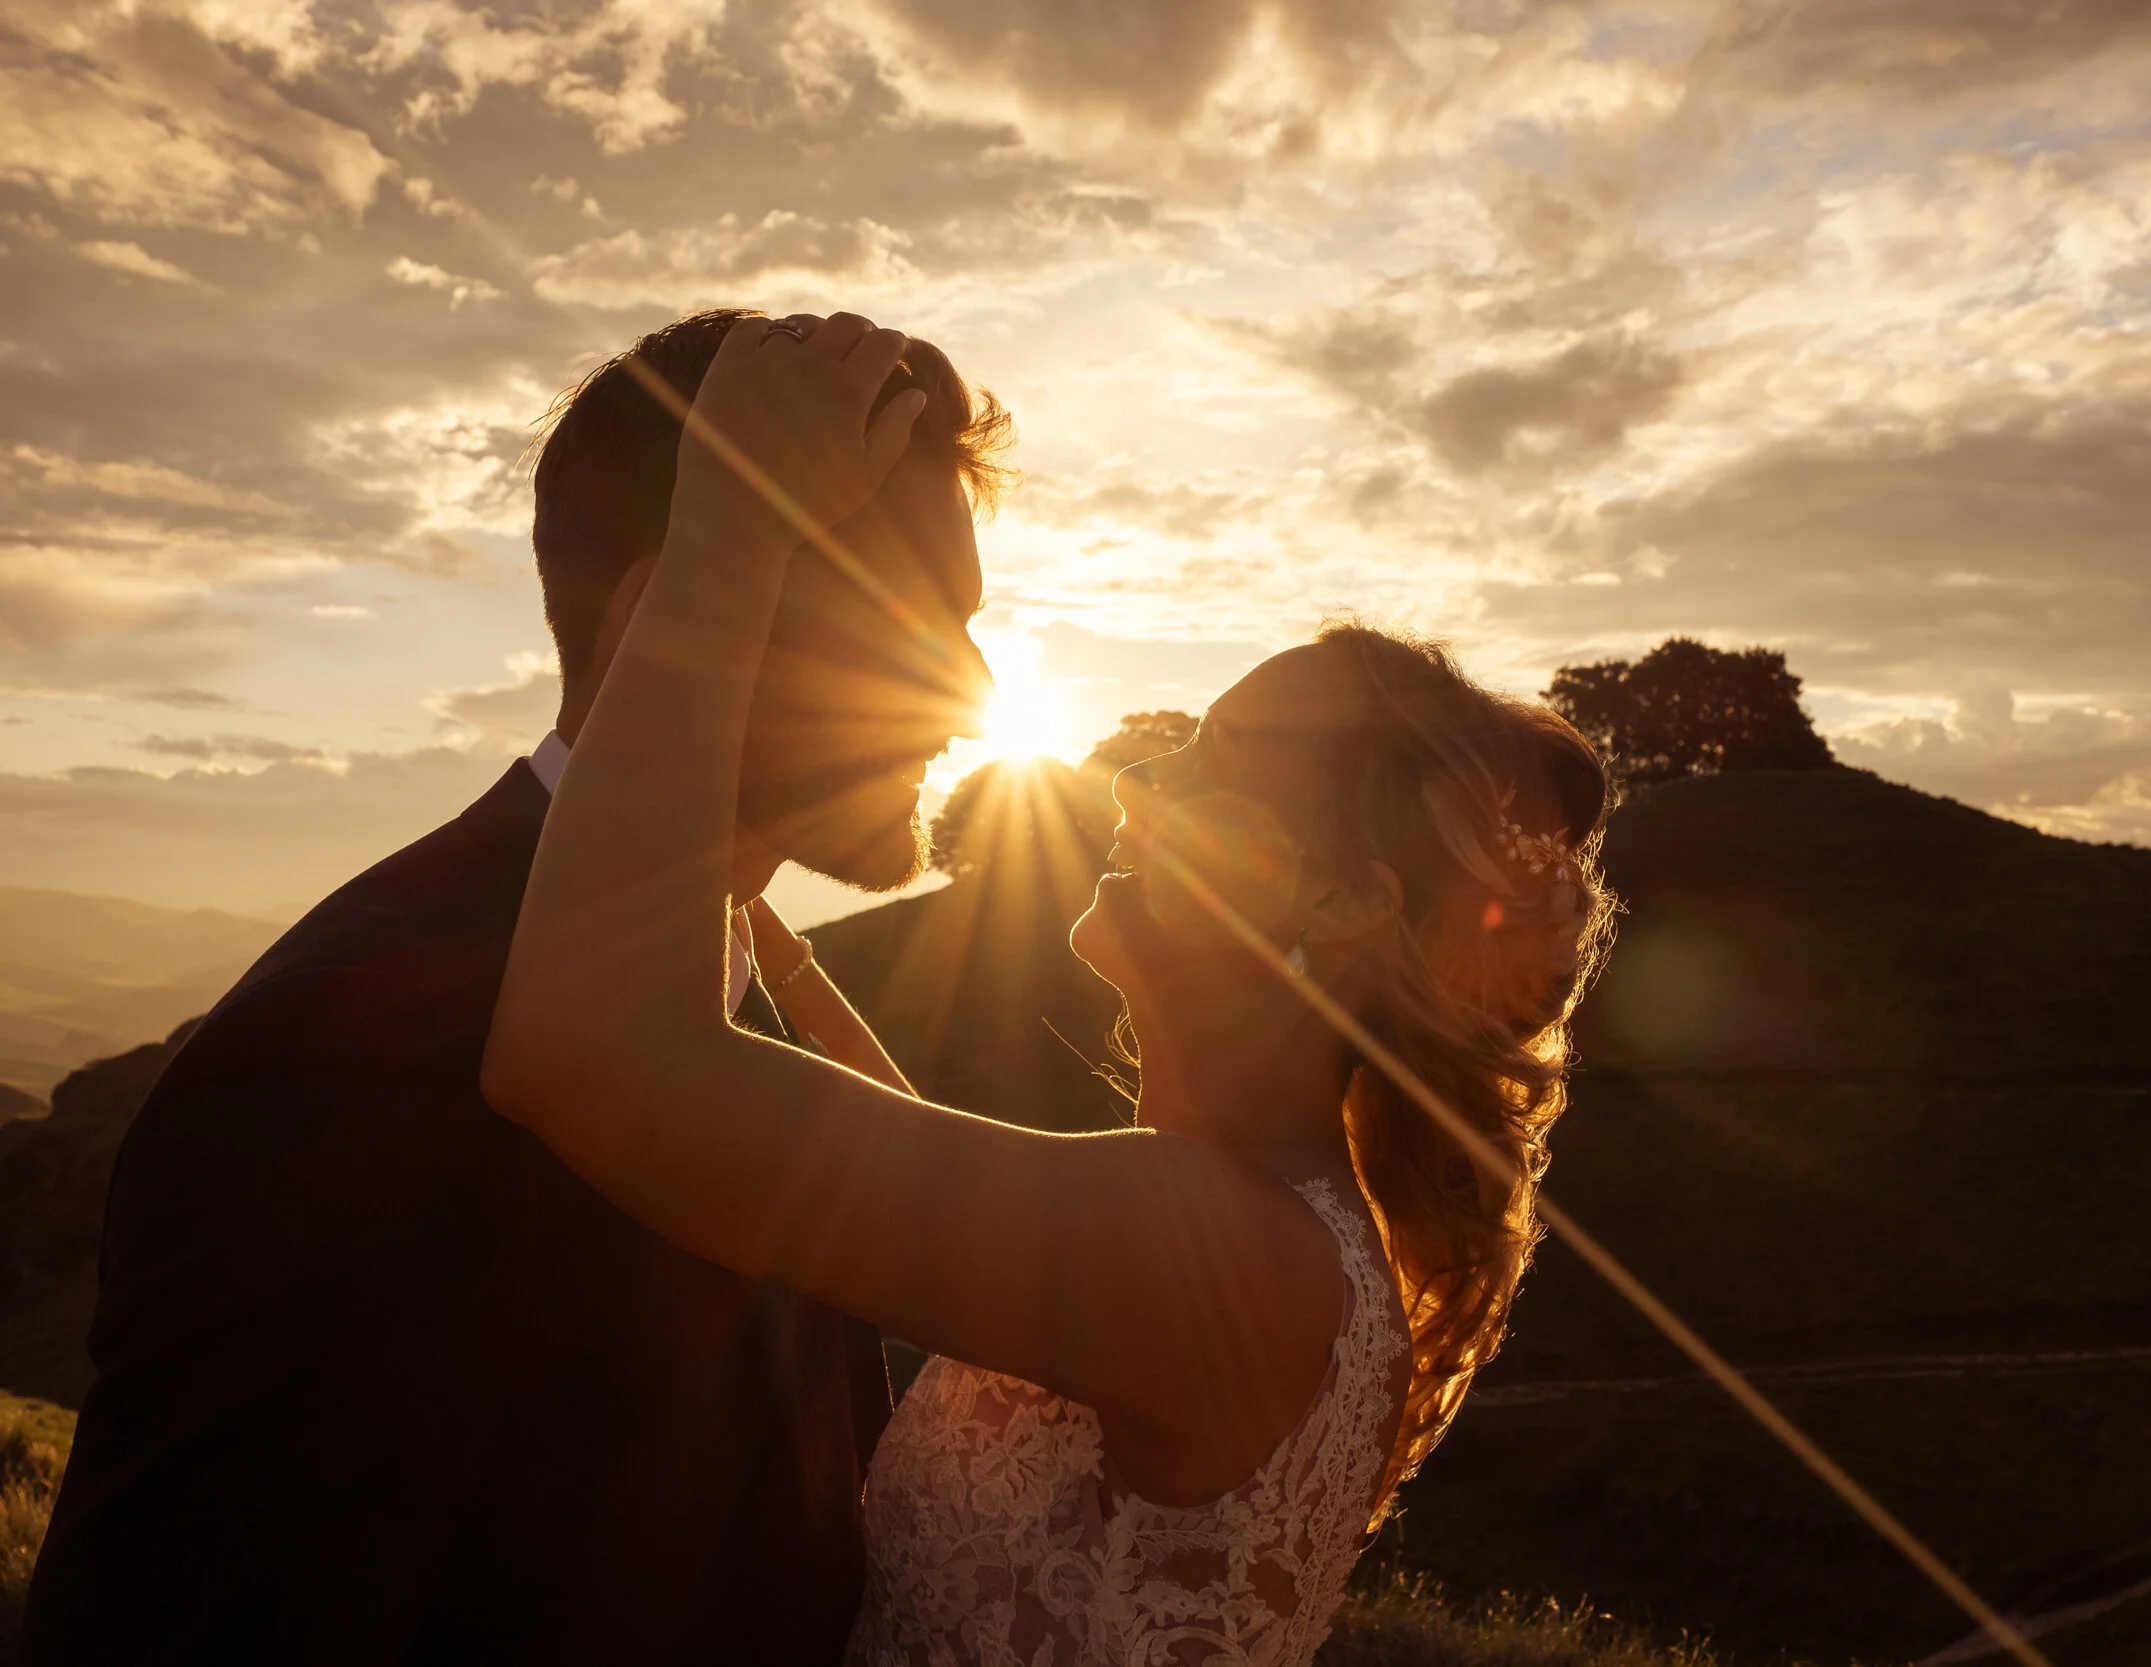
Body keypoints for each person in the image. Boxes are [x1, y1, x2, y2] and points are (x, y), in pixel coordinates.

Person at [479, 314, 1619, 1664]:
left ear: (1343, 904)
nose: (1141, 780)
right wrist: (744, 887)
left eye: (1221, 766)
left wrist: (734, 522)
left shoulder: (1209, 1253)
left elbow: (590, 1051)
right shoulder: (1247, 1224)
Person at [24, 308, 1008, 1665]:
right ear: (673, 613)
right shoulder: (342, 1053)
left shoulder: (743, 993)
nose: (972, 692)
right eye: (911, 625)